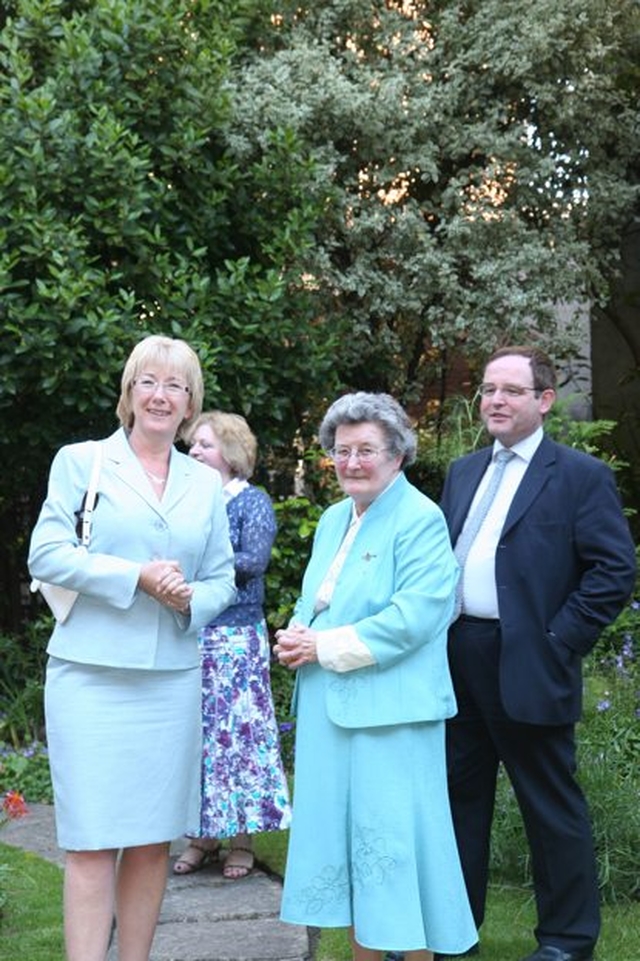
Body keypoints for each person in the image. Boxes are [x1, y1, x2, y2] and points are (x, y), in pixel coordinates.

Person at [28, 335, 236, 961]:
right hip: (90, 677)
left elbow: (223, 576)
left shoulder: (204, 481)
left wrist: (186, 600)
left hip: (170, 680)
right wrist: (136, 578)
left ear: (190, 401)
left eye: (175, 385)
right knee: (91, 842)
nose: (161, 395)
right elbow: (47, 554)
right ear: (129, 392)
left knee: (151, 842)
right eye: (149, 381)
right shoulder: (82, 461)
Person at [439, 345, 637, 961]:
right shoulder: (463, 471)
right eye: (489, 390)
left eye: (511, 391)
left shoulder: (579, 476)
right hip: (456, 655)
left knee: (550, 806)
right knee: (455, 802)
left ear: (544, 400)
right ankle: (454, 931)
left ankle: (566, 941)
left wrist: (559, 640)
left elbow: (613, 570)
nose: (494, 401)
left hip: (531, 659)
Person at [274, 392, 478, 961]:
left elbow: (415, 617)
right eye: (342, 451)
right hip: (330, 711)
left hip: (394, 716)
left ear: (398, 454)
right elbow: (318, 600)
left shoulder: (421, 519)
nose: (352, 462)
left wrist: (324, 645)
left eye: (366, 450)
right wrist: (297, 634)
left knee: (396, 855)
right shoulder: (334, 517)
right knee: (347, 856)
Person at [172, 411, 291, 880]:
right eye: (192, 445)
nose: (194, 452)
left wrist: (192, 567)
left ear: (232, 452)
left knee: (239, 737)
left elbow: (254, 560)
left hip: (236, 638)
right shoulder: (186, 501)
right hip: (193, 632)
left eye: (204, 444)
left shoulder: (251, 501)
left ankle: (241, 839)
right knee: (198, 738)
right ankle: (201, 836)